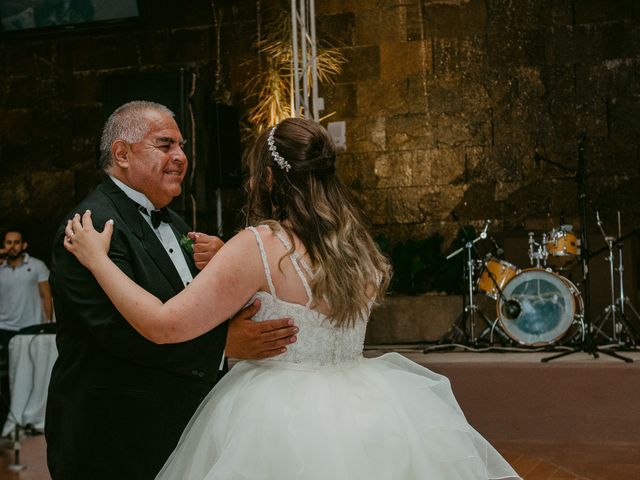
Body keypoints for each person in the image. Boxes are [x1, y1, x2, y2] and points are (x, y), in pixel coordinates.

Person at [64, 117, 521, 479]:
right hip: (370, 409)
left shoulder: (259, 245)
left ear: (266, 177)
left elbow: (165, 325)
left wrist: (97, 260)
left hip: (277, 420)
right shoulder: (354, 243)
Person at [45, 101, 298, 480]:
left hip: (172, 429)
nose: (181, 157)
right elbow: (118, 333)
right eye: (165, 146)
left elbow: (190, 305)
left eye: (182, 147)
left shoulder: (175, 221)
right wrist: (222, 347)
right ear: (122, 154)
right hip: (115, 435)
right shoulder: (90, 226)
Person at [0, 229, 53, 352]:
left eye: (16, 242)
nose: (12, 246)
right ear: (4, 245)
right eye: (8, 242)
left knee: (25, 368)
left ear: (24, 245)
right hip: (3, 326)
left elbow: (47, 295)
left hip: (30, 326)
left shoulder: (37, 265)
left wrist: (48, 323)